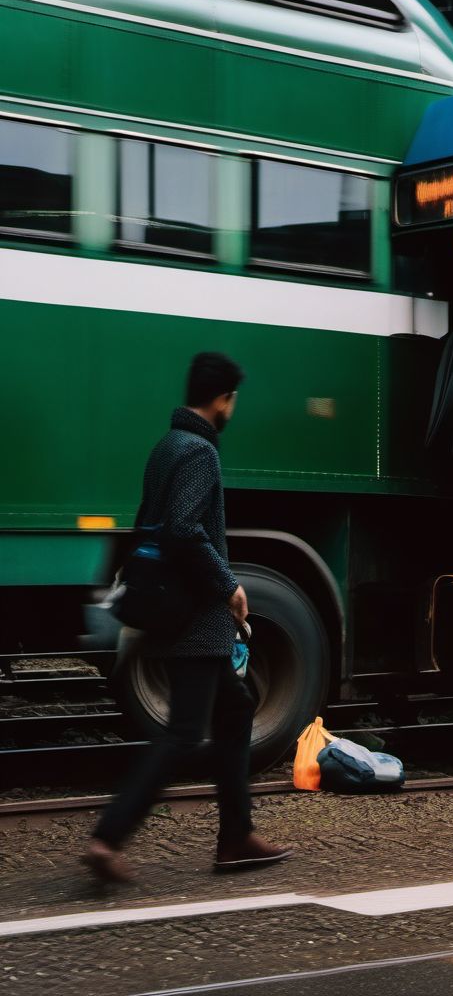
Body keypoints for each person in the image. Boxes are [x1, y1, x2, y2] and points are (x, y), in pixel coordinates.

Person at [83, 353, 292, 883]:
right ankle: (109, 837)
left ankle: (235, 837)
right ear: (223, 399)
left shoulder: (166, 446)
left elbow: (146, 526)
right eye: (233, 401)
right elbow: (181, 528)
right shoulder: (200, 452)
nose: (232, 408)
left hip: (169, 604)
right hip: (194, 614)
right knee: (182, 733)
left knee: (236, 707)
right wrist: (229, 586)